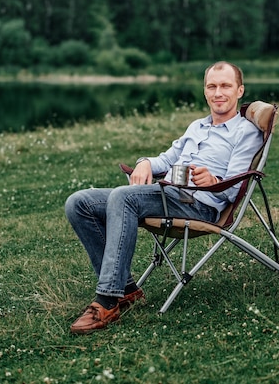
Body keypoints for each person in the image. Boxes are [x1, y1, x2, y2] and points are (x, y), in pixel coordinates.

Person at [65, 61, 263, 334]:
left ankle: (107, 300)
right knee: (79, 203)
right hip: (168, 194)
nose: (218, 92)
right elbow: (167, 160)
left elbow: (234, 185)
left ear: (240, 90)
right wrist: (145, 162)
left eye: (226, 86)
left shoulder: (246, 132)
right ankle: (126, 288)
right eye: (212, 86)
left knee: (124, 197)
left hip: (199, 206)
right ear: (205, 91)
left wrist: (213, 181)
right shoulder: (197, 126)